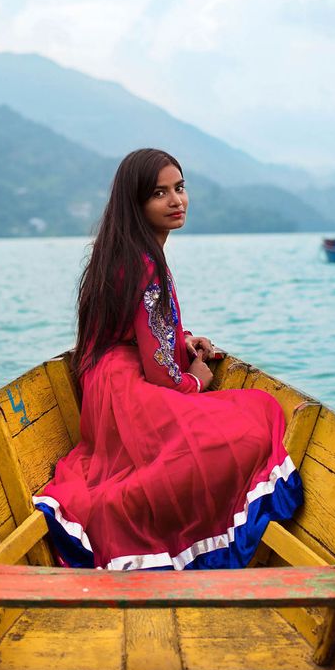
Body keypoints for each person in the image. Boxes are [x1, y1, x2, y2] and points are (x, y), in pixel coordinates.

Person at [34, 148, 303, 570]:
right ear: (137, 204)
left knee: (229, 427)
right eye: (160, 193)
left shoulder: (120, 254)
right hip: (127, 391)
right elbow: (162, 375)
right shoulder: (144, 265)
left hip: (105, 386)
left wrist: (184, 340)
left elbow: (143, 331)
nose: (176, 201)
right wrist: (196, 380)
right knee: (258, 417)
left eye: (179, 188)